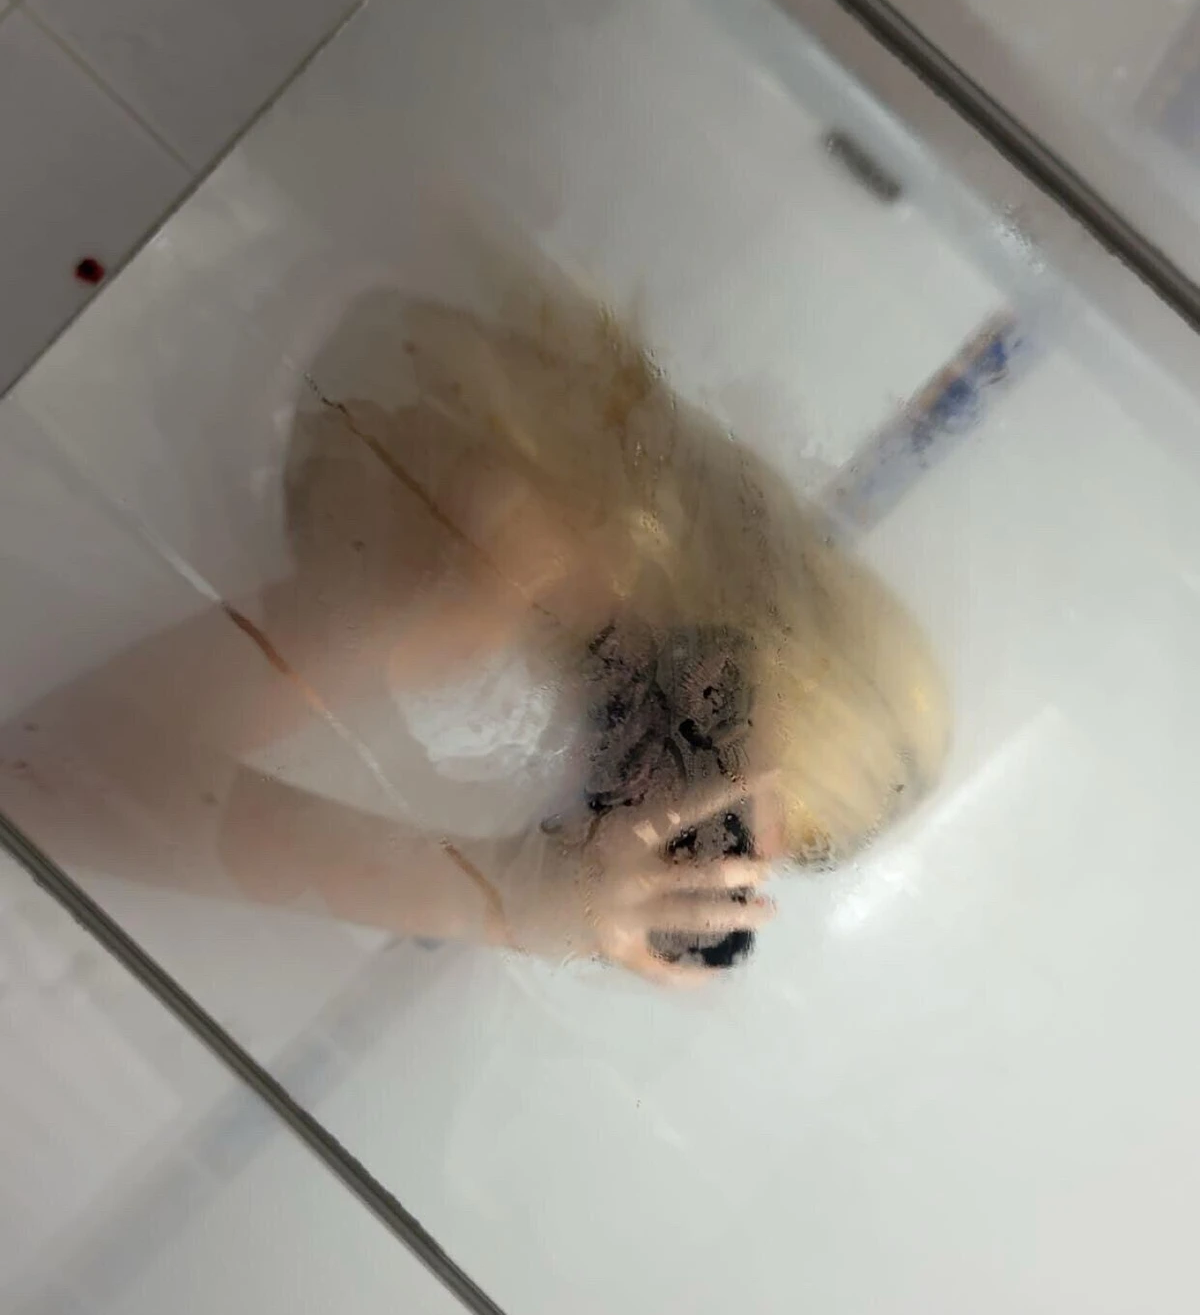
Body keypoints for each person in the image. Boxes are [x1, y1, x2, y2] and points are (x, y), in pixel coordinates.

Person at [0, 270, 949, 984]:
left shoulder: (613, 497)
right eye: (730, 826)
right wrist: (514, 900)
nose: (697, 850)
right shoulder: (513, 575)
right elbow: (47, 773)